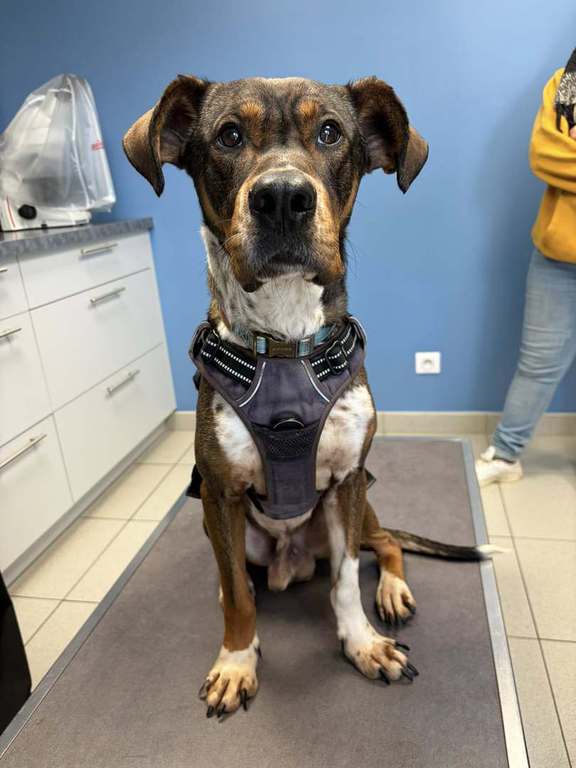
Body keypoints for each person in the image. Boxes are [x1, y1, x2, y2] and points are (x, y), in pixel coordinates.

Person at [476, 49, 576, 487]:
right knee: (538, 363)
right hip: (558, 252)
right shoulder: (565, 81)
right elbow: (544, 154)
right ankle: (505, 456)